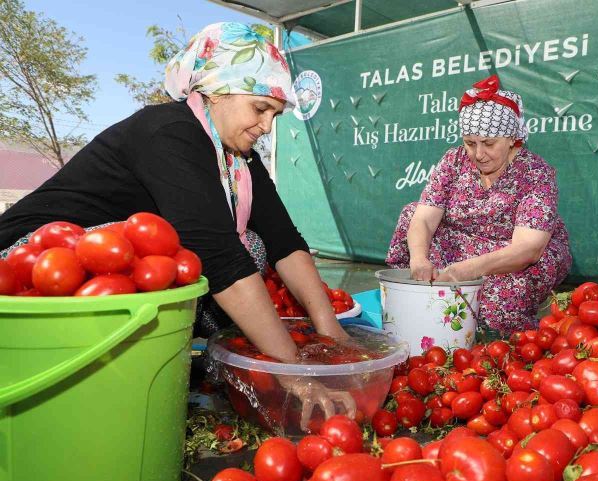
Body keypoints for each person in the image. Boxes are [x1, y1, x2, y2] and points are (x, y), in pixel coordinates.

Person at [0, 23, 354, 425]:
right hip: (30, 261)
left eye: (275, 114)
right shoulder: (170, 132)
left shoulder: (238, 159)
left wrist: (331, 334)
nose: (268, 127)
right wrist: (294, 373)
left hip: (101, 272)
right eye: (260, 108)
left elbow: (284, 240)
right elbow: (219, 256)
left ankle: (195, 364)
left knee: (253, 244)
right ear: (216, 92)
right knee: (222, 251)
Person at [386, 74, 572, 334]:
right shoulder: (454, 160)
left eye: (488, 143)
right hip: (463, 246)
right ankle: (428, 297)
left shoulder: (535, 173)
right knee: (410, 215)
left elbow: (527, 249)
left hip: (510, 255)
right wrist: (419, 260)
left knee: (498, 307)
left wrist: (469, 270)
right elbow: (424, 218)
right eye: (470, 143)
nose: (479, 154)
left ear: (511, 138)